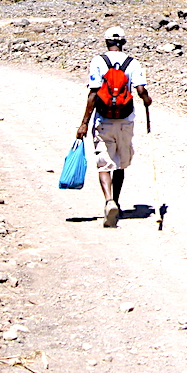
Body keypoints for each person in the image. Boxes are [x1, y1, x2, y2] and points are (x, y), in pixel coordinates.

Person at [76, 26, 152, 228]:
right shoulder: (132, 63)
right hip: (126, 120)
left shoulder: (98, 61)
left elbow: (93, 93)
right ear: (123, 42)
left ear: (106, 42)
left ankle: (109, 200)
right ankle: (116, 202)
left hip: (104, 119)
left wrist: (84, 123)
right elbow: (141, 89)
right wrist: (147, 99)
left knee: (104, 161)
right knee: (120, 162)